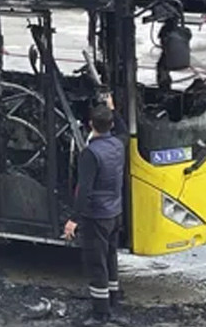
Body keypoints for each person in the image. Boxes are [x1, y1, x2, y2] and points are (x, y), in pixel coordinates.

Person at [63, 100, 125, 326]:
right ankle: (113, 299)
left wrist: (73, 219)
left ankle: (101, 313)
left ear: (90, 125)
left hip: (96, 216)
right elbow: (125, 130)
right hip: (115, 213)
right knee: (110, 257)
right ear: (110, 125)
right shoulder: (119, 145)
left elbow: (84, 190)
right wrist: (113, 110)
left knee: (96, 263)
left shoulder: (90, 154)